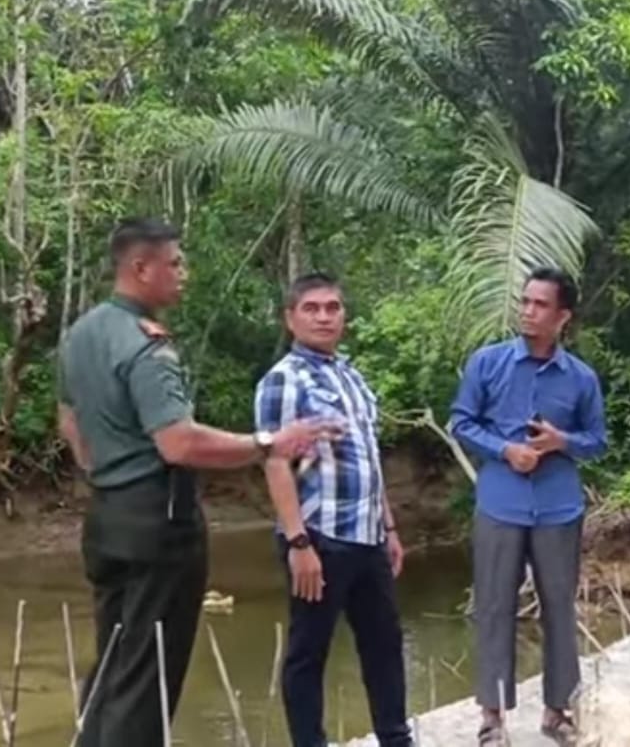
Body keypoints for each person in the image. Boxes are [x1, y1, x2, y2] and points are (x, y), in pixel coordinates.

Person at [58, 218, 339, 746]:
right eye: (175, 263)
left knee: (115, 661)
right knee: (148, 678)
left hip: (106, 516)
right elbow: (179, 443)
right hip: (159, 524)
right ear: (140, 268)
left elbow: (70, 423)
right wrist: (268, 444)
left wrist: (108, 474)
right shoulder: (145, 344)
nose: (184, 272)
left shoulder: (82, 333)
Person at [449, 269, 606, 746]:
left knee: (559, 606)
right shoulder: (487, 363)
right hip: (500, 503)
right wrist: (505, 450)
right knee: (495, 606)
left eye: (541, 304)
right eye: (526, 301)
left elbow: (597, 442)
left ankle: (557, 712)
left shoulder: (581, 378)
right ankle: (492, 718)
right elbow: (461, 422)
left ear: (563, 317)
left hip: (559, 507)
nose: (529, 311)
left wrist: (562, 441)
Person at [256, 273, 412, 747]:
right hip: (319, 537)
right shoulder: (284, 379)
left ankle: (395, 738)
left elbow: (368, 457)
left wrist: (389, 527)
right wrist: (298, 542)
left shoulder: (350, 376)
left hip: (367, 535)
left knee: (384, 643)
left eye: (332, 307)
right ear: (291, 318)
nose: (324, 317)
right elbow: (276, 463)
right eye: (312, 308)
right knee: (309, 652)